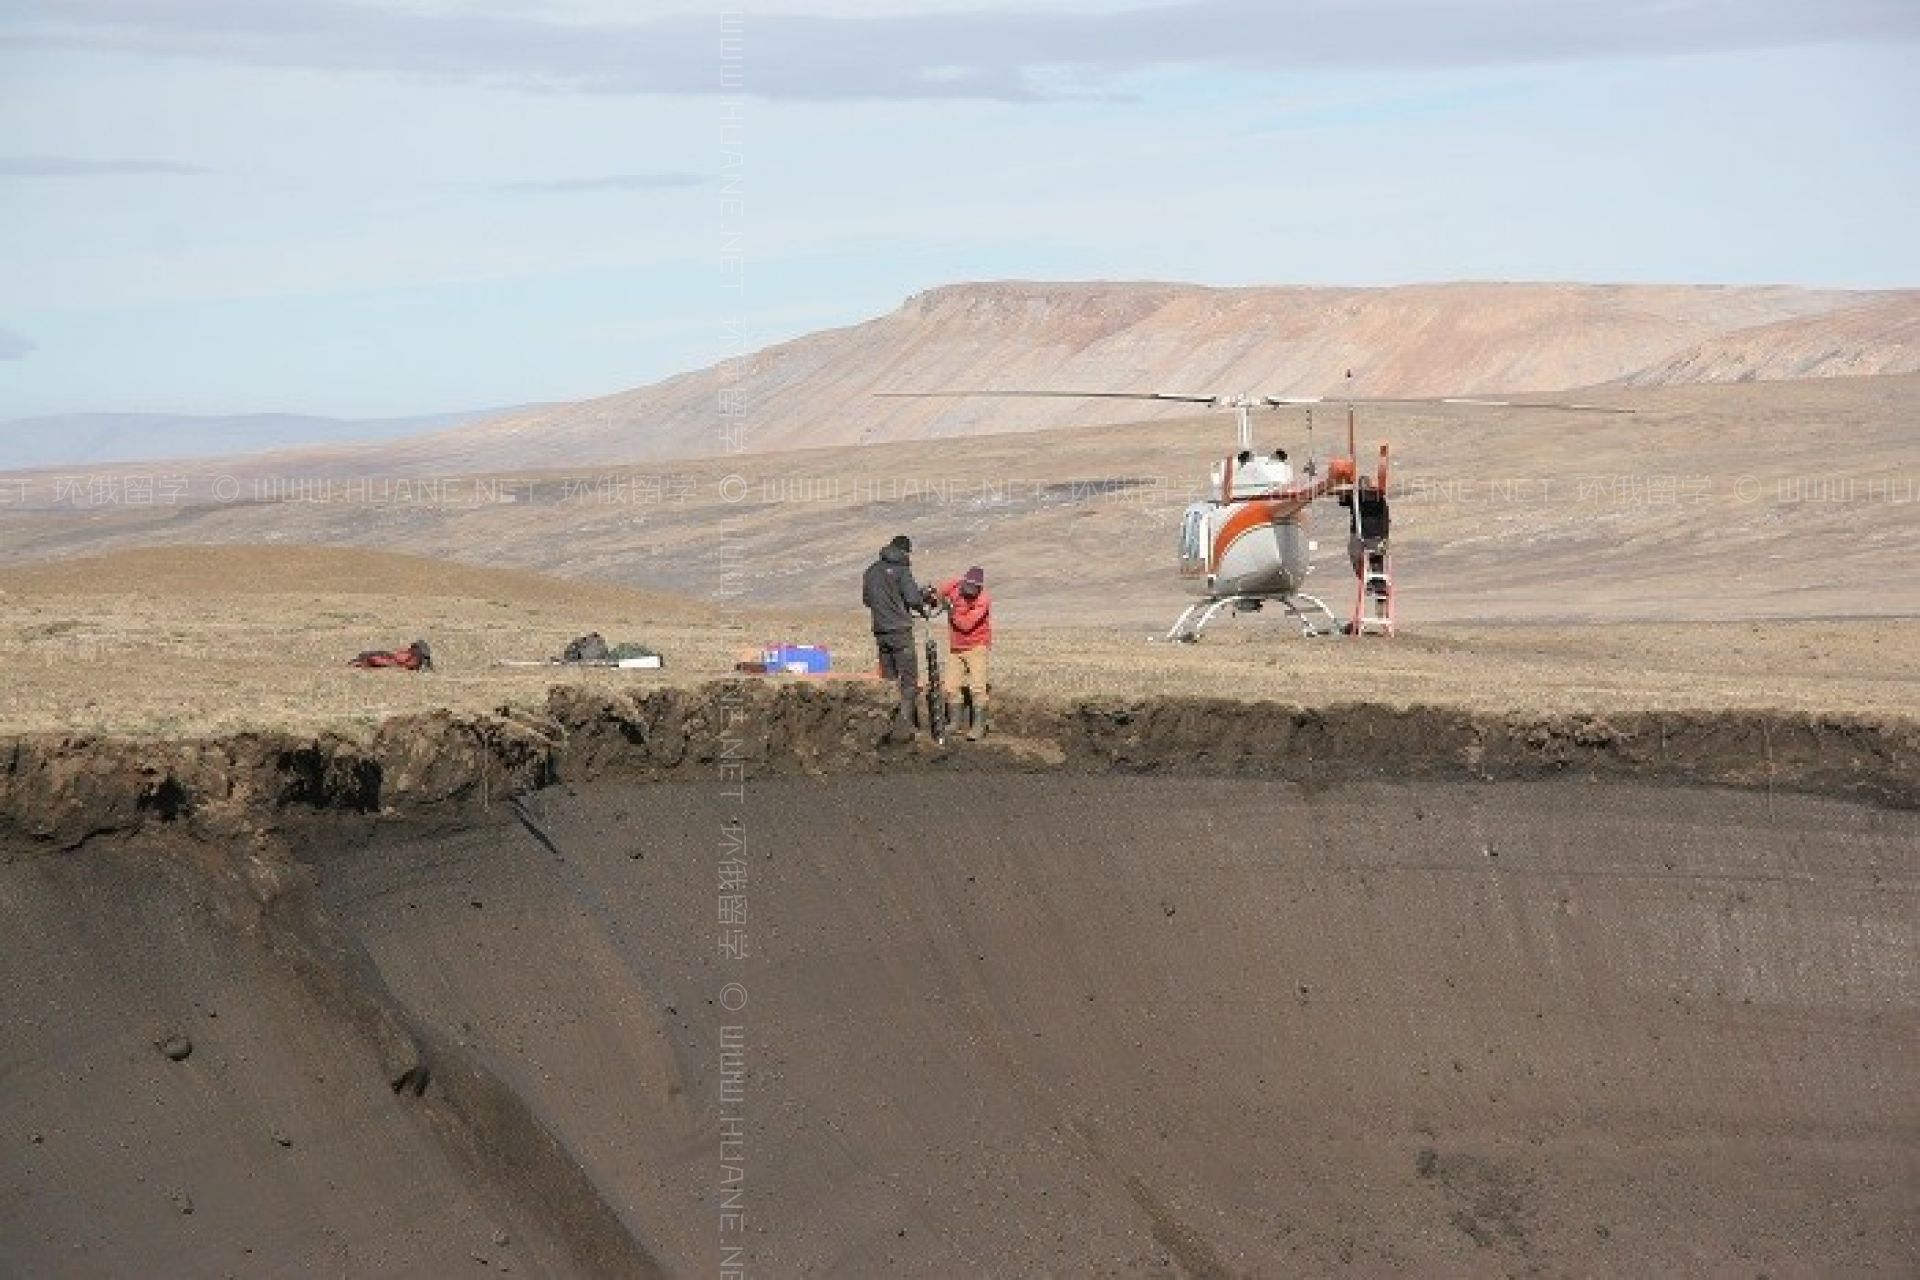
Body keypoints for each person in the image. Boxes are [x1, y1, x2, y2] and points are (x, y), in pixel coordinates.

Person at [861, 534, 931, 742]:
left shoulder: (871, 571)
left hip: (880, 631)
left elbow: (867, 600)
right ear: (904, 551)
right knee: (908, 681)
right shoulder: (902, 570)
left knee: (889, 679)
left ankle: (885, 725)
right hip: (900, 631)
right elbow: (912, 598)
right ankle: (904, 726)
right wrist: (921, 602)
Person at [937, 565, 993, 740]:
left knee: (977, 687)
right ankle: (955, 723)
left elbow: (966, 625)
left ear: (979, 588)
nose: (968, 591)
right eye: (966, 587)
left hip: (977, 645)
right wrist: (940, 600)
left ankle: (978, 726)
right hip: (956, 647)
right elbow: (940, 591)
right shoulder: (955, 584)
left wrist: (951, 610)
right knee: (951, 686)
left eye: (972, 589)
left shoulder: (983, 600)